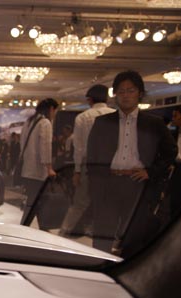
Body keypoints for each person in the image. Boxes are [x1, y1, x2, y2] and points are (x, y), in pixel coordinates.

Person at [87, 70, 177, 257]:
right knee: (103, 235)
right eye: (121, 91)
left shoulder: (153, 123)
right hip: (108, 183)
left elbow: (171, 151)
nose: (126, 95)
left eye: (130, 91)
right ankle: (99, 268)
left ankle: (128, 270)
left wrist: (151, 172)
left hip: (137, 185)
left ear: (140, 93)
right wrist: (96, 184)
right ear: (115, 95)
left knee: (134, 236)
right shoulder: (103, 122)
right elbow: (92, 155)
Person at [59, 84, 115, 237]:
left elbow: (79, 148)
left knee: (80, 202)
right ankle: (107, 235)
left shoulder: (83, 117)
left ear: (90, 99)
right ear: (107, 97)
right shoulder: (115, 115)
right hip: (113, 165)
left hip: (89, 164)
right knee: (108, 202)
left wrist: (77, 171)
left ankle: (64, 232)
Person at [19, 98, 58, 227]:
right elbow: (45, 147)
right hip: (39, 171)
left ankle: (30, 225)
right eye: (54, 111)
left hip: (27, 169)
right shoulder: (45, 123)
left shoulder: (28, 122)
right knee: (38, 201)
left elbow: (22, 144)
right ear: (51, 109)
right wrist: (49, 168)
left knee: (33, 201)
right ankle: (35, 226)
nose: (54, 114)